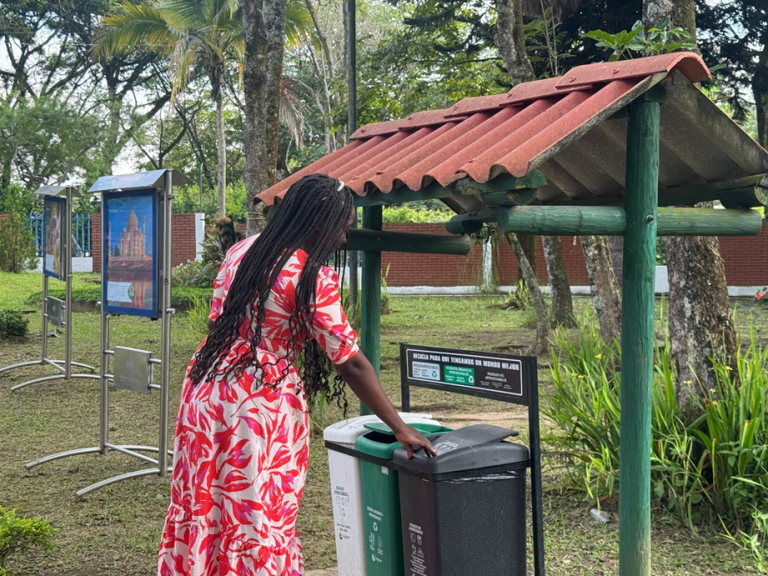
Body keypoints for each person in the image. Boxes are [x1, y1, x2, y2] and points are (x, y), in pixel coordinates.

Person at [158, 174, 436, 576]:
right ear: (320, 222)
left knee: (204, 504)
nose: (342, 240)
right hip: (258, 409)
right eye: (341, 228)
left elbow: (217, 319)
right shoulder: (311, 276)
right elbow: (350, 361)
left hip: (207, 390)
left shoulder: (240, 252)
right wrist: (399, 428)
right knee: (256, 515)